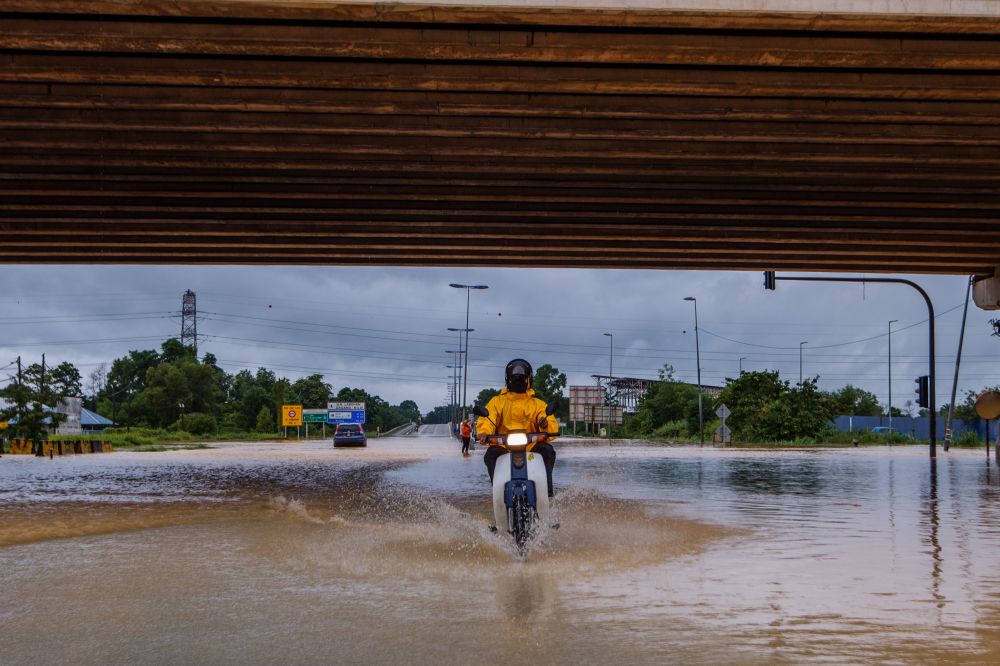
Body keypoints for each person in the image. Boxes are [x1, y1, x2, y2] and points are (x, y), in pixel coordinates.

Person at [476, 359, 559, 497]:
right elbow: (488, 418)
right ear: (508, 380)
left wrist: (545, 424)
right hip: (504, 448)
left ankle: (546, 492)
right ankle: (499, 493)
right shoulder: (497, 402)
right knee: (491, 454)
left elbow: (548, 420)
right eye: (514, 378)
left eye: (522, 378)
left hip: (530, 449)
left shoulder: (537, 404)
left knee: (548, 450)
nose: (518, 381)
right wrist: (484, 432)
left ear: (529, 380)